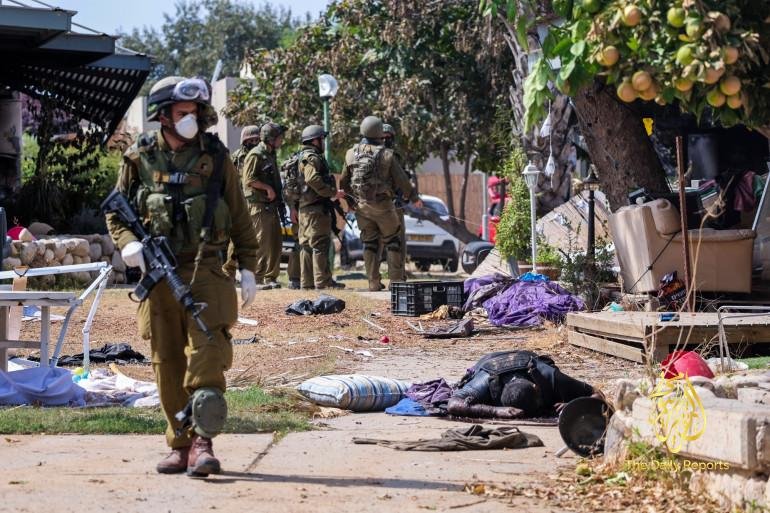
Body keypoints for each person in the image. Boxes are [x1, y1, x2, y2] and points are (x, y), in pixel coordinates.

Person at [105, 76, 259, 477]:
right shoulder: (139, 158)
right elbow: (115, 212)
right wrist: (128, 245)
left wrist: (248, 266)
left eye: (194, 112)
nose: (190, 118)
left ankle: (203, 442)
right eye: (182, 112)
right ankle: (180, 444)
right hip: (158, 276)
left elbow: (240, 215)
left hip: (205, 267)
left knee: (208, 351)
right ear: (164, 117)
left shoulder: (216, 156)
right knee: (166, 360)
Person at [340, 116, 422, 291]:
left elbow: (344, 182)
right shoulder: (386, 155)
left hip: (362, 206)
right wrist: (414, 198)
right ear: (379, 133)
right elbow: (402, 180)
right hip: (384, 206)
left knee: (369, 244)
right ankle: (397, 282)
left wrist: (350, 202)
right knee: (393, 241)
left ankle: (373, 282)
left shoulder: (350, 153)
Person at [447, 350, 599, 419]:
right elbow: (453, 404)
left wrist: (575, 406)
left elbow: (597, 394)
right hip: (490, 360)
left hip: (525, 356)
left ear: (536, 387)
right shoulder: (485, 381)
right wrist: (494, 411)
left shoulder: (549, 376)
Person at [297, 124, 346, 290]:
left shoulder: (300, 157)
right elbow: (311, 179)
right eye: (322, 139)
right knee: (320, 244)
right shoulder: (312, 158)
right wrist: (332, 192)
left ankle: (307, 283)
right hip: (316, 209)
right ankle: (322, 282)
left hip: (305, 208)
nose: (323, 142)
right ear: (315, 141)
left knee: (306, 246)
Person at [242, 122, 286, 290]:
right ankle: (256, 278)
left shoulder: (270, 154)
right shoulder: (256, 155)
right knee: (261, 242)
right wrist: (267, 188)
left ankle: (270, 277)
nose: (282, 140)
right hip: (259, 205)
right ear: (271, 139)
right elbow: (249, 180)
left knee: (275, 242)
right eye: (280, 138)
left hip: (271, 206)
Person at [222, 124, 260, 277]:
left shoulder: (259, 156)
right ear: (245, 141)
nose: (255, 143)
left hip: (254, 201)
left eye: (257, 140)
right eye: (252, 140)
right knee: (236, 238)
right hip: (239, 201)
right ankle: (228, 270)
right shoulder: (237, 157)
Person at [382, 123, 412, 279]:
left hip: (393, 202)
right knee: (381, 243)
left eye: (388, 137)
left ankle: (398, 275)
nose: (385, 140)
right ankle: (382, 278)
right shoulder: (389, 155)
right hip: (382, 204)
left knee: (398, 241)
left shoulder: (397, 155)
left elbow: (402, 177)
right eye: (383, 137)